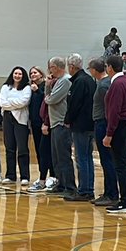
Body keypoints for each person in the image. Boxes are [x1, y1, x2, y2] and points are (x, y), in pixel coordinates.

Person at [102, 53, 126, 215]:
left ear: (109, 67)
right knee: (124, 165)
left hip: (120, 128)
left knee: (120, 166)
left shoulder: (117, 84)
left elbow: (114, 111)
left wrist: (109, 133)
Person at [64, 54, 96, 201]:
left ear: (71, 67)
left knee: (81, 157)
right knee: (87, 157)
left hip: (81, 125)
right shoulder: (89, 79)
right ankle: (88, 188)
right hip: (90, 124)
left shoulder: (79, 81)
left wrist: (67, 119)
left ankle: (84, 190)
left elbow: (74, 104)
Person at [87, 57, 119, 207]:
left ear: (94, 70)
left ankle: (111, 194)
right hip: (100, 123)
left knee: (107, 160)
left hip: (103, 123)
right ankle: (108, 191)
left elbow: (110, 107)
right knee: (106, 160)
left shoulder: (104, 85)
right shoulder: (103, 83)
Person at [44, 57, 75, 196]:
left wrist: (47, 88)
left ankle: (69, 186)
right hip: (54, 122)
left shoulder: (65, 81)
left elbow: (51, 99)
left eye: (50, 67)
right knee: (56, 157)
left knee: (63, 157)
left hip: (61, 123)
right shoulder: (58, 81)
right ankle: (61, 184)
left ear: (56, 67)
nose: (49, 70)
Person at [0, 67, 32, 184]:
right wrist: (15, 103)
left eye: (20, 74)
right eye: (15, 73)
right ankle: (10, 175)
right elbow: (2, 103)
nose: (17, 75)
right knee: (9, 148)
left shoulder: (27, 88)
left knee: (22, 148)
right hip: (7, 119)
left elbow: (24, 101)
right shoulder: (5, 87)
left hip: (21, 121)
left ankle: (25, 176)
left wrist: (10, 102)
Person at [27, 67, 54, 192]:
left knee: (46, 151)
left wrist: (38, 91)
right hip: (35, 123)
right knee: (38, 150)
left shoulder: (44, 86)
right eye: (31, 73)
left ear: (41, 74)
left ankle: (51, 177)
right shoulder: (30, 88)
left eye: (35, 72)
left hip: (45, 123)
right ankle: (41, 175)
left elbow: (46, 101)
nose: (33, 74)